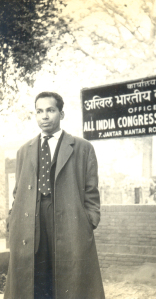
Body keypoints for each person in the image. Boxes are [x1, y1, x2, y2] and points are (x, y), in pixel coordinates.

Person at [4, 92, 105, 299]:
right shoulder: (25, 150)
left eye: (50, 110)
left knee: (68, 282)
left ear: (62, 113)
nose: (45, 116)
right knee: (36, 280)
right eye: (39, 111)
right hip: (31, 222)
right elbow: (18, 192)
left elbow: (91, 191)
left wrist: (89, 220)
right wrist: (13, 221)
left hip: (70, 222)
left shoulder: (82, 148)